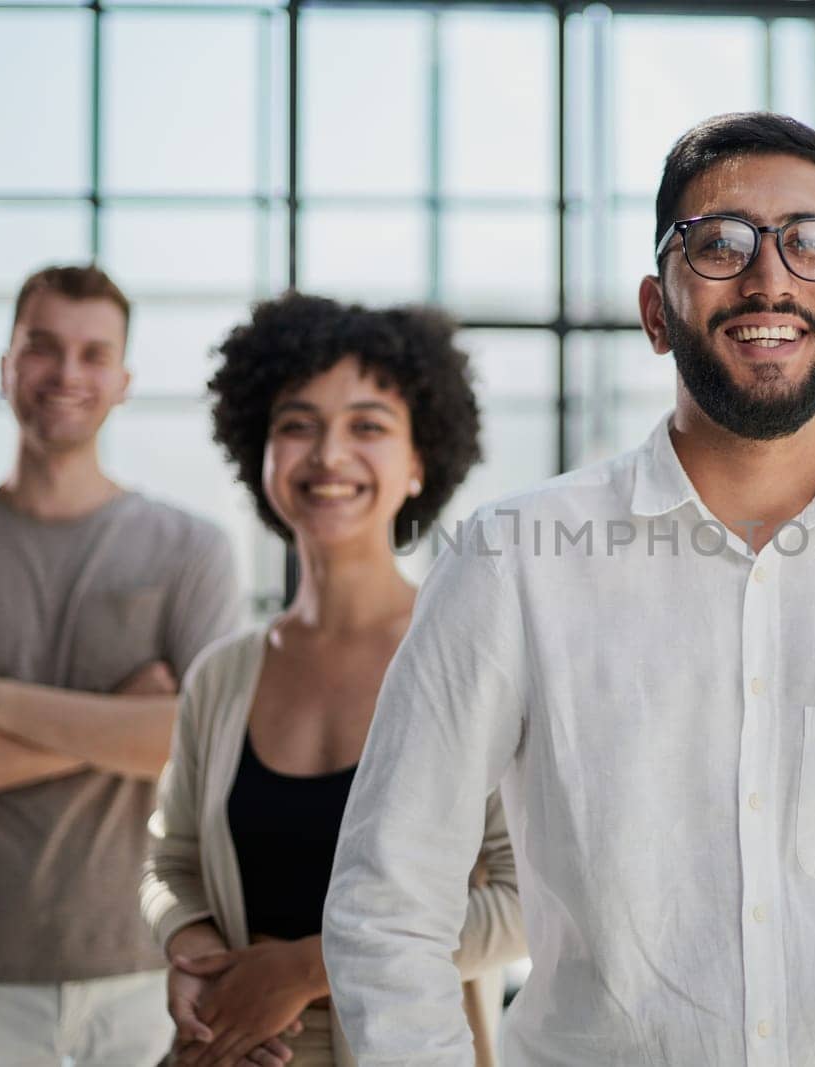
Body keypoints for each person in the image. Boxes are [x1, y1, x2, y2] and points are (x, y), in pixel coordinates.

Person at [322, 112, 815, 1066]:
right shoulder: (513, 561)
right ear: (658, 311)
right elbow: (385, 904)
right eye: (720, 244)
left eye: (809, 243)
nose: (770, 276)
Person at [0, 264, 238, 1065]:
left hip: (145, 962)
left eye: (95, 353)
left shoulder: (191, 549)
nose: (67, 373)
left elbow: (204, 744)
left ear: (123, 381)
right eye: (43, 347)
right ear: (5, 365)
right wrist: (121, 715)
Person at [140, 295, 526, 1067]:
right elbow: (168, 862)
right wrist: (192, 950)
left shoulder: (468, 656)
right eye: (297, 423)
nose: (328, 454)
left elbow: (526, 902)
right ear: (262, 452)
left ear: (420, 461)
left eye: (368, 425)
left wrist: (301, 968)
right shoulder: (224, 674)